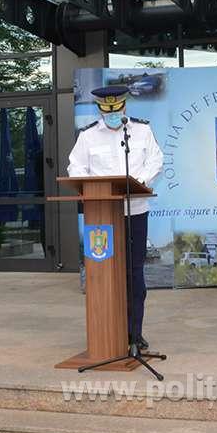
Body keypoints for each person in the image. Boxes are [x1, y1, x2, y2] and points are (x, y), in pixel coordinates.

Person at [68, 85, 163, 350]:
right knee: (103, 273)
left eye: (116, 109)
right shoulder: (87, 136)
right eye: (107, 110)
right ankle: (107, 332)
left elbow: (155, 161)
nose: (112, 114)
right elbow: (75, 167)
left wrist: (138, 182)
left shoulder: (142, 130)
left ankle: (134, 333)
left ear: (124, 106)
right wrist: (91, 187)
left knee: (134, 275)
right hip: (102, 216)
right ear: (100, 110)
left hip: (135, 211)